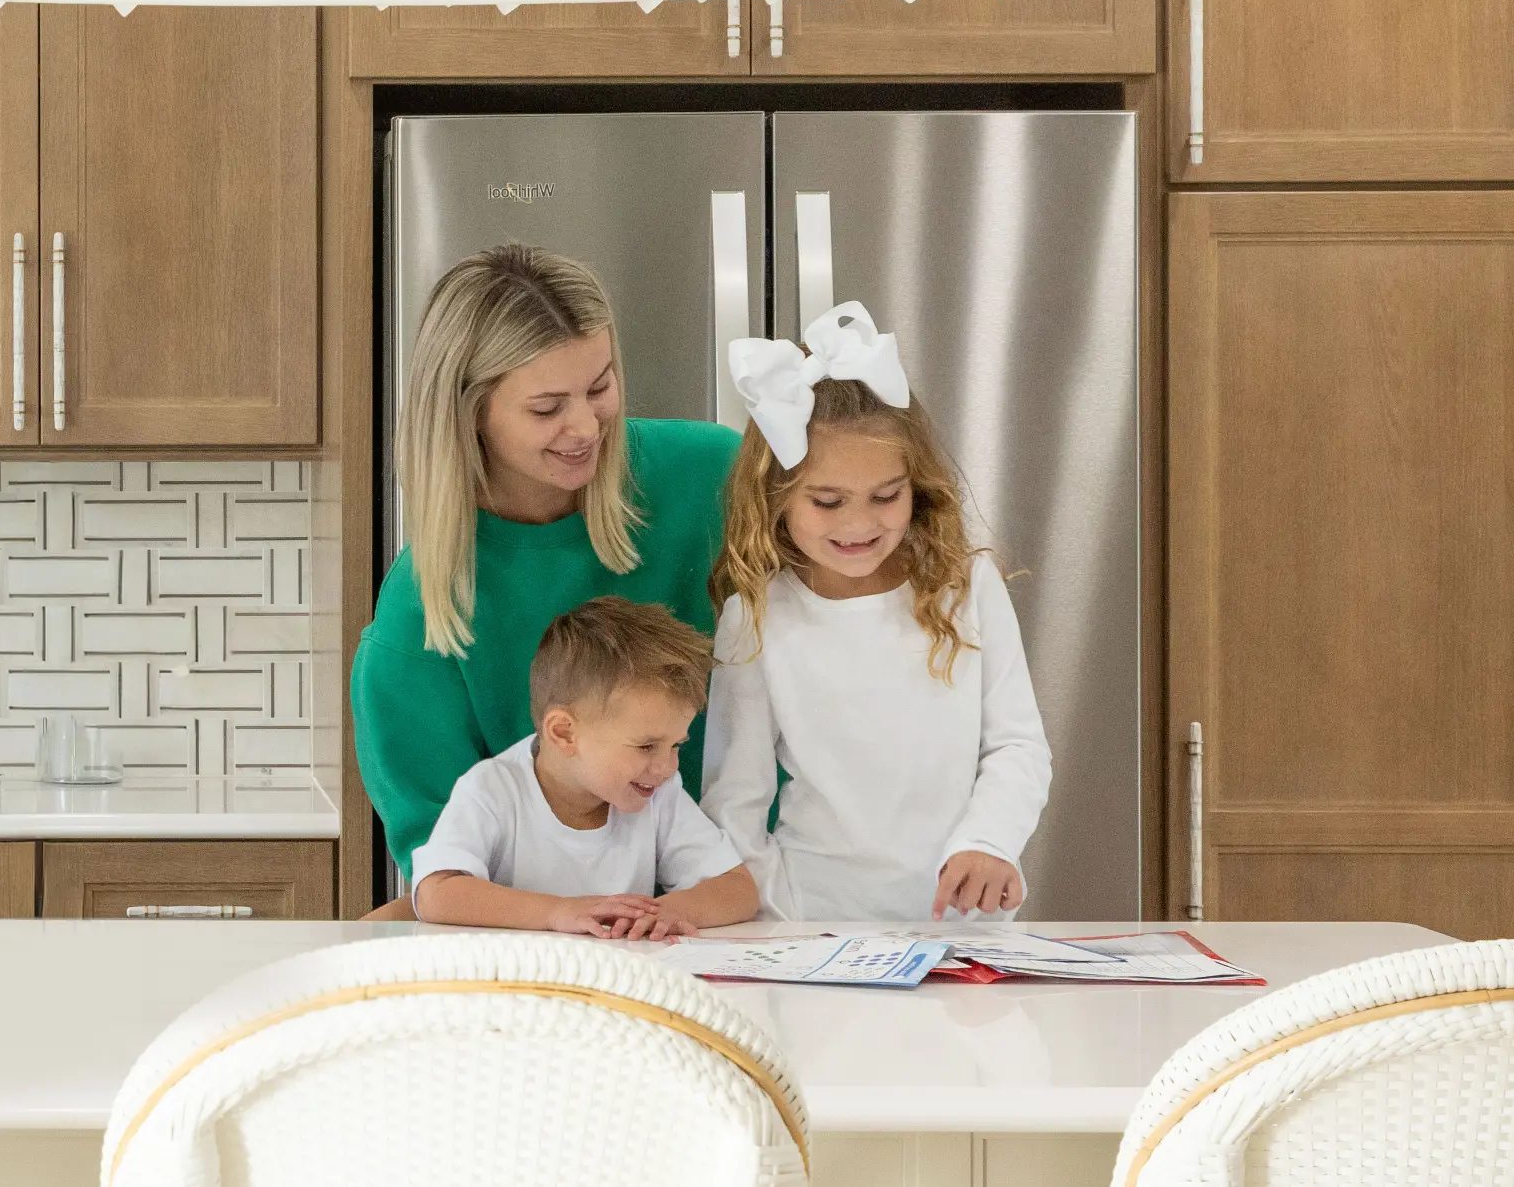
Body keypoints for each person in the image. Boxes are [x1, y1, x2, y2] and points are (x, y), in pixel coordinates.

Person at [351, 243, 743, 882]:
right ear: (471, 411)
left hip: (763, 910)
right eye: (546, 407)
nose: (586, 426)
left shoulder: (714, 477)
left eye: (600, 386)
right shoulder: (420, 616)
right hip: (559, 945)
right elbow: (445, 866)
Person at [699, 302, 1051, 921]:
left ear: (916, 487)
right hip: (813, 927)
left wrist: (990, 842)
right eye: (828, 502)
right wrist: (773, 923)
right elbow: (735, 802)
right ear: (777, 497)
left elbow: (1017, 746)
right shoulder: (755, 617)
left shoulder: (966, 588)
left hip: (966, 925)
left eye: (885, 496)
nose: (859, 524)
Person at [407, 599, 759, 938]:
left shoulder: (657, 792)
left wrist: (669, 912)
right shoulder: (493, 789)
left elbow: (738, 890)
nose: (667, 766)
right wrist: (556, 912)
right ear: (564, 733)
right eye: (647, 746)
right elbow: (436, 893)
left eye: (676, 745)